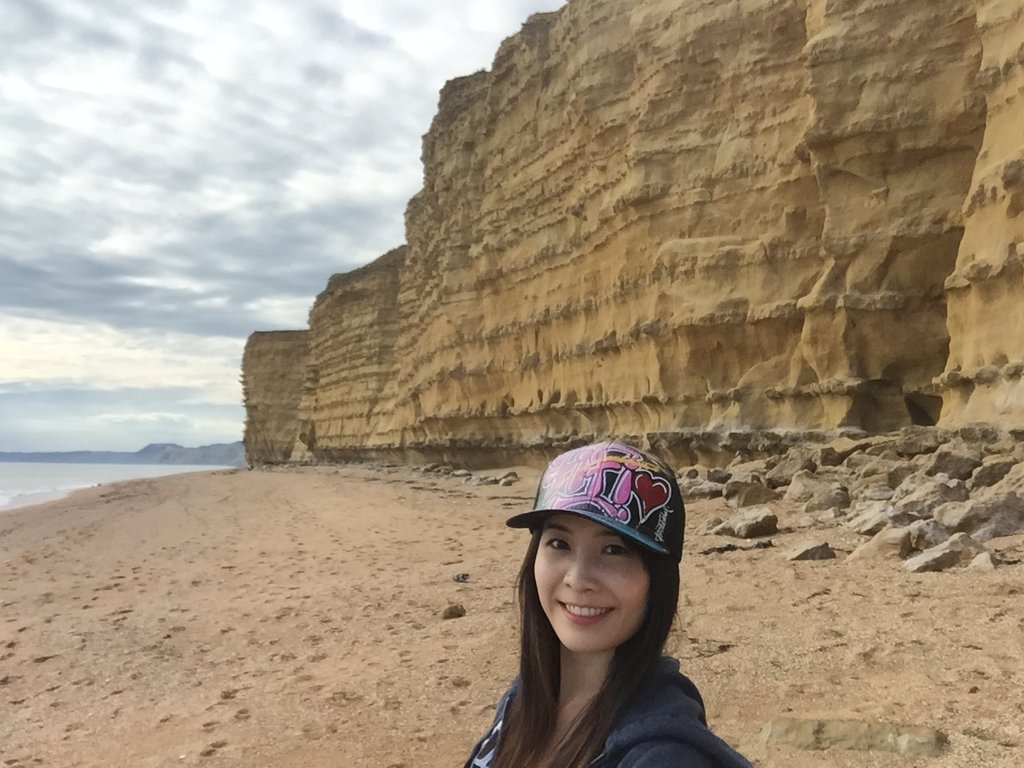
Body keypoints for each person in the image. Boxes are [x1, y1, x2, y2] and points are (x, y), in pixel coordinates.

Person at [463, 441, 752, 768]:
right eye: (559, 543)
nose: (578, 579)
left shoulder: (665, 756)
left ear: (657, 578)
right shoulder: (524, 699)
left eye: (614, 550)